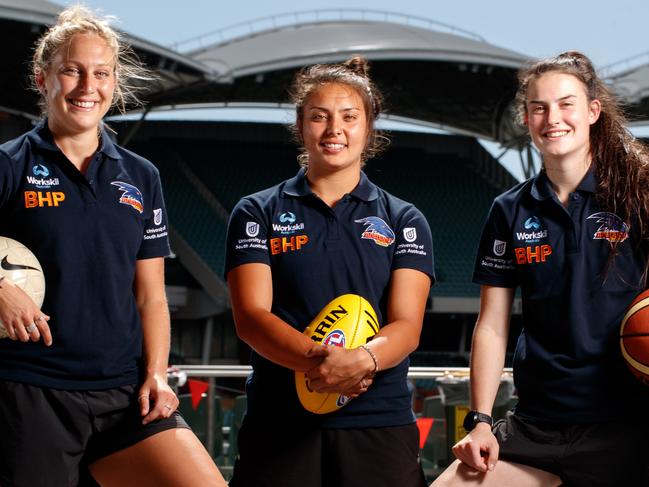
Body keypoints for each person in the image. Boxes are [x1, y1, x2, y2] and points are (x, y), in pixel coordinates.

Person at [0, 5, 226, 487]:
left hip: (125, 393)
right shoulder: (9, 165)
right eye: (72, 71)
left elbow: (151, 295)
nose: (87, 87)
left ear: (114, 81)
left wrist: (158, 373)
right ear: (43, 79)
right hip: (32, 392)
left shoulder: (141, 175)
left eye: (101, 73)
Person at [432, 51, 649, 487]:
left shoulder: (639, 193)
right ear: (526, 118)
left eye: (566, 104)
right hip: (538, 422)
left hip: (627, 424)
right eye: (539, 107)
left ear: (592, 111)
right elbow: (492, 325)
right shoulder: (508, 209)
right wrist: (479, 420)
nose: (553, 118)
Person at [225, 55, 435, 487]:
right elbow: (251, 318)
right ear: (301, 126)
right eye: (319, 117)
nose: (334, 129)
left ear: (368, 128)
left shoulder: (405, 219)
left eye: (349, 117)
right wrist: (324, 367)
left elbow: (408, 324)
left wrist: (364, 360)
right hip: (280, 421)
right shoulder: (257, 211)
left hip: (378, 420)